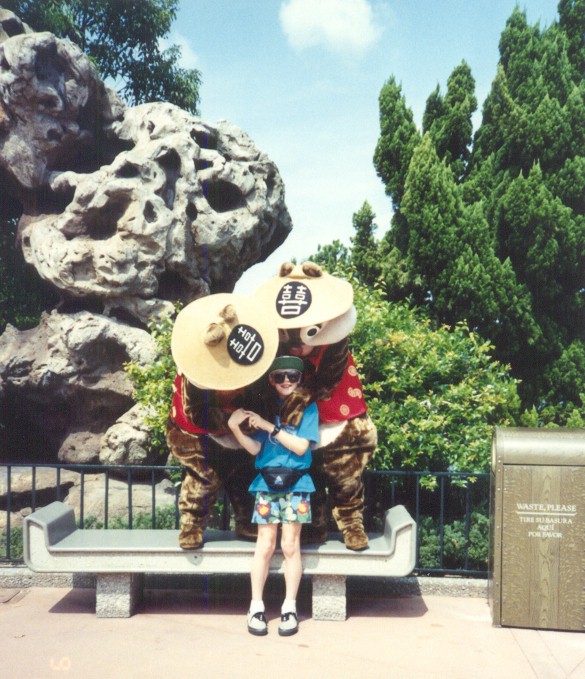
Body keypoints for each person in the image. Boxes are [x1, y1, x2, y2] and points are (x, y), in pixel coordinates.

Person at [228, 355, 318, 637]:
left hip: (297, 484)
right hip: (266, 484)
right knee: (265, 545)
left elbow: (301, 447)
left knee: (290, 545)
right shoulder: (264, 406)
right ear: (271, 379)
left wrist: (269, 426)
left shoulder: (307, 407)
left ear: (300, 378)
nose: (286, 381)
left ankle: (289, 607)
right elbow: (256, 449)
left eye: (292, 376)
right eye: (280, 376)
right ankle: (256, 606)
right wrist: (234, 427)